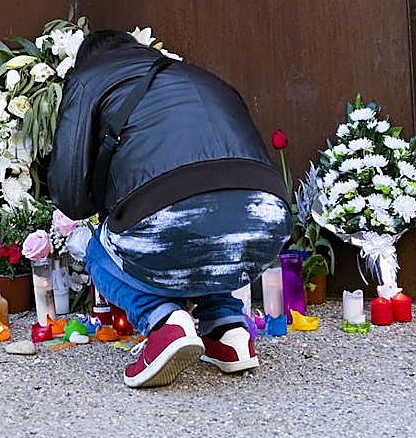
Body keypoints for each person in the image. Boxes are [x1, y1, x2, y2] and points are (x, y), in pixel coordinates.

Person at [48, 30, 291, 388]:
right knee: (205, 229)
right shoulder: (200, 76)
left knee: (100, 250)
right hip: (268, 220)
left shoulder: (89, 79)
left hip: (170, 210)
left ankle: (164, 323)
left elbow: (69, 196)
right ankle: (228, 331)